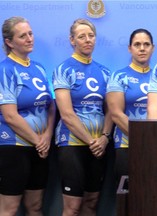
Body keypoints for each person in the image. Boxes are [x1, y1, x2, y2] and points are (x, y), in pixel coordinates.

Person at [52, 18, 113, 216]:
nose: (87, 40)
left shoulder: (104, 72)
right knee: (72, 207)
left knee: (92, 202)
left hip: (99, 145)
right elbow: (67, 114)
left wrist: (104, 138)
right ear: (72, 40)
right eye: (81, 36)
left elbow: (111, 110)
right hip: (72, 144)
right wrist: (91, 142)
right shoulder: (63, 69)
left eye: (91, 36)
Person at [0, 16, 55, 215]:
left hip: (41, 147)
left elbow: (51, 105)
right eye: (23, 36)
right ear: (9, 42)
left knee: (35, 206)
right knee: (10, 208)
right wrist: (37, 141)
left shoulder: (39, 68)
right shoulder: (4, 71)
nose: (30, 39)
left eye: (30, 33)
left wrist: (47, 136)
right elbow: (10, 116)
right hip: (13, 147)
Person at [106, 28, 155, 184]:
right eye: (137, 44)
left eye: (146, 44)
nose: (142, 48)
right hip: (126, 145)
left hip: (154, 146)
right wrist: (142, 137)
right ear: (130, 48)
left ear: (152, 48)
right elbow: (116, 114)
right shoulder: (119, 76)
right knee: (127, 200)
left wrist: (152, 140)